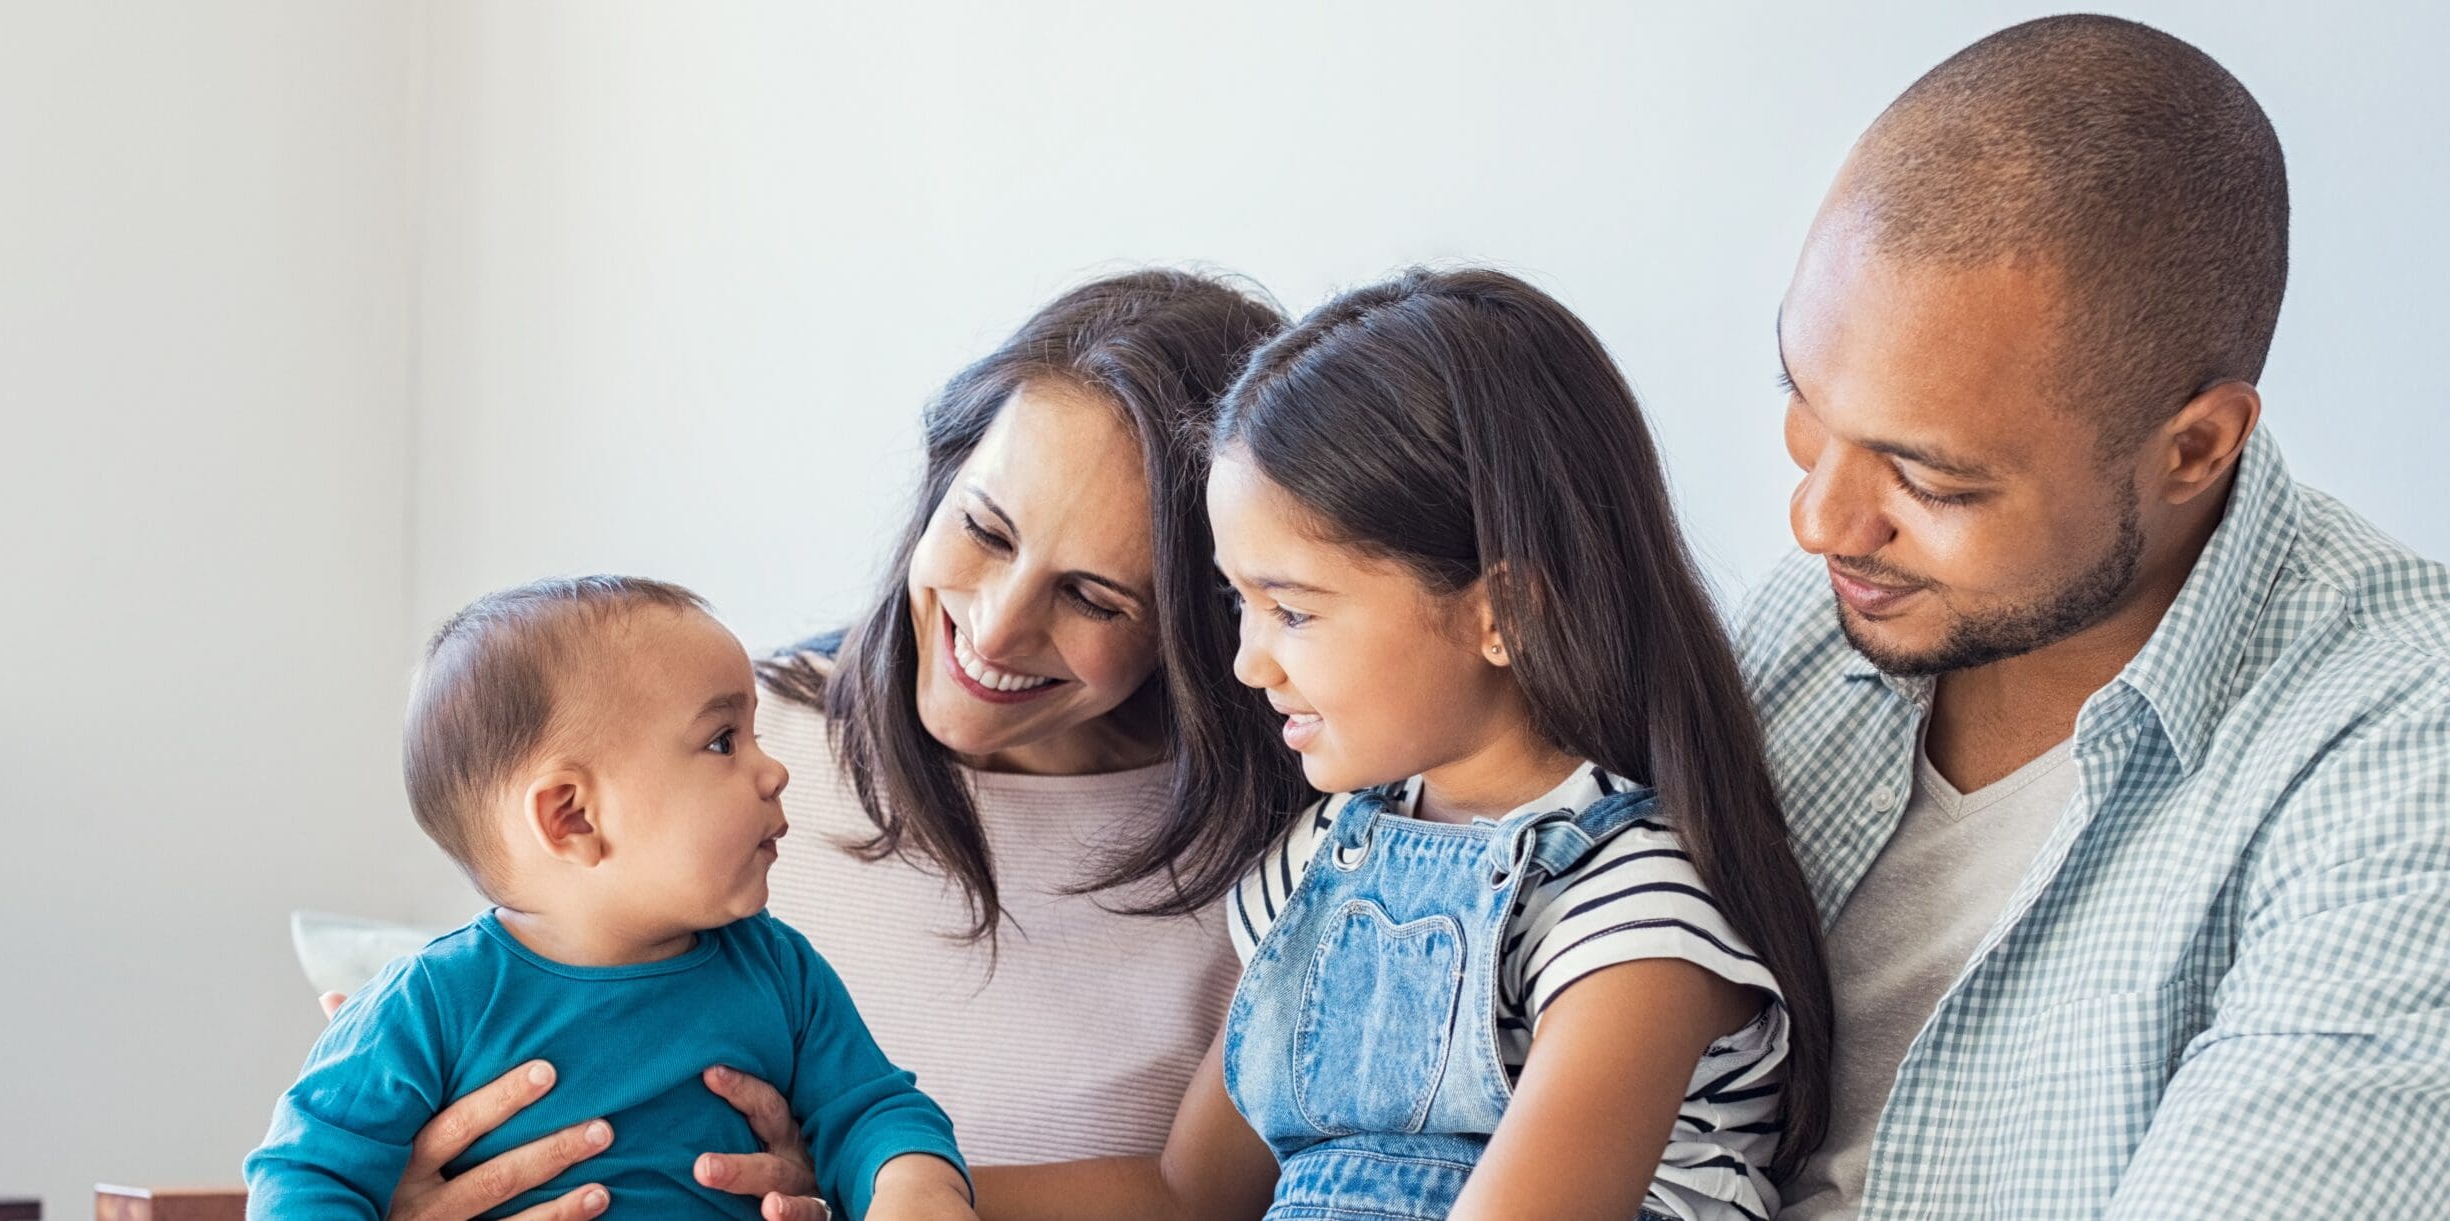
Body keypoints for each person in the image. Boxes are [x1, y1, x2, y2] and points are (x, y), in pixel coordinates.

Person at [317, 272, 1319, 1221]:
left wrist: (868, 1181)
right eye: (983, 527)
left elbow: (1206, 1199)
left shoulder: (1295, 855)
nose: (997, 629)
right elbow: (491, 1043)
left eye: (1094, 595)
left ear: (1200, 616)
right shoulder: (697, 743)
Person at [1753, 16, 2450, 1218]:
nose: (1820, 520)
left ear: (2195, 447)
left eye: (1932, 483)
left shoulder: (2400, 754)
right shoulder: (1812, 623)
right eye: (1806, 407)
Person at [962, 269, 1834, 1221]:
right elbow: (1186, 1195)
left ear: (1505, 612)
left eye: (1291, 609)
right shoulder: (1325, 861)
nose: (1249, 663)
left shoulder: (1627, 914)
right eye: (1236, 601)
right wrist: (894, 1187)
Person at [250, 577, 974, 1221]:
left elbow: (872, 1108)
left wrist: (916, 1187)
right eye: (724, 741)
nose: (773, 768)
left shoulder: (781, 971)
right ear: (573, 817)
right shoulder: (428, 1004)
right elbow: (304, 1170)